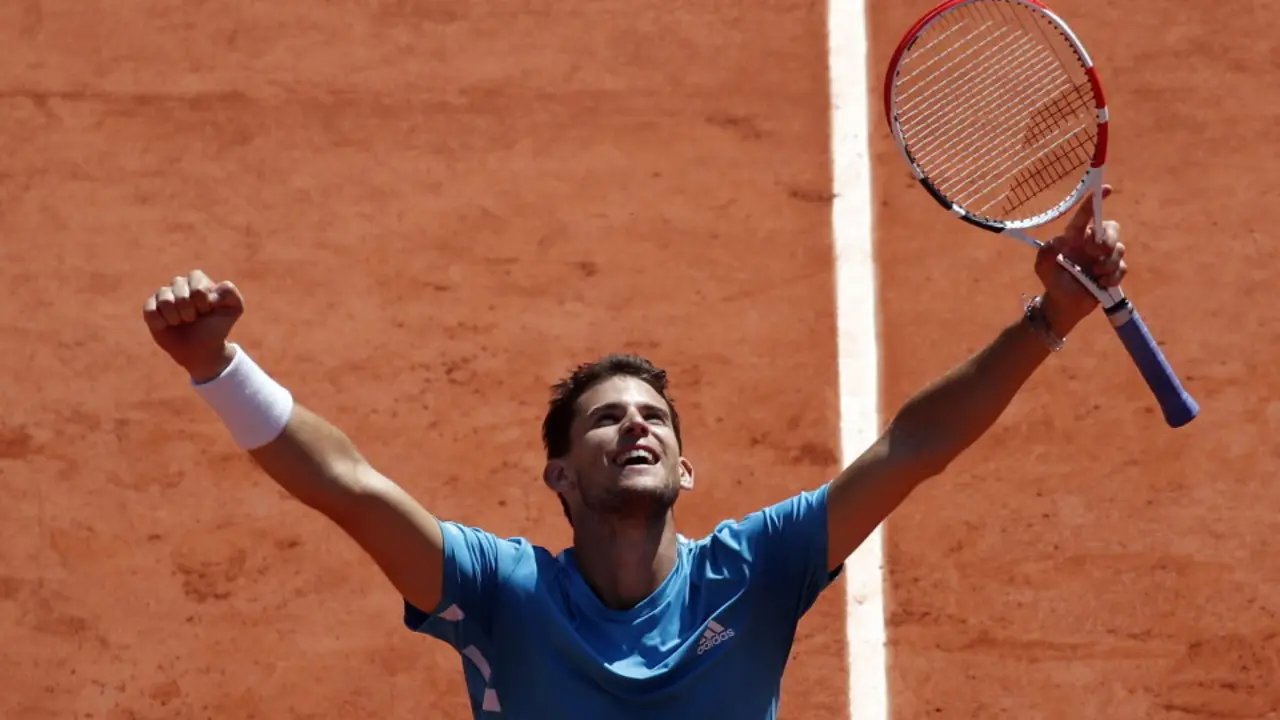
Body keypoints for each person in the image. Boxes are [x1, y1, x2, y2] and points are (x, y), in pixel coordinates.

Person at [141, 187, 1126, 719]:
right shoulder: (499, 593)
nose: (636, 427)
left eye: (654, 418)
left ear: (687, 471)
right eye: (605, 421)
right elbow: (347, 487)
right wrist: (217, 365)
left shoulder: (756, 571)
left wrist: (1048, 319)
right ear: (559, 478)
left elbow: (910, 447)